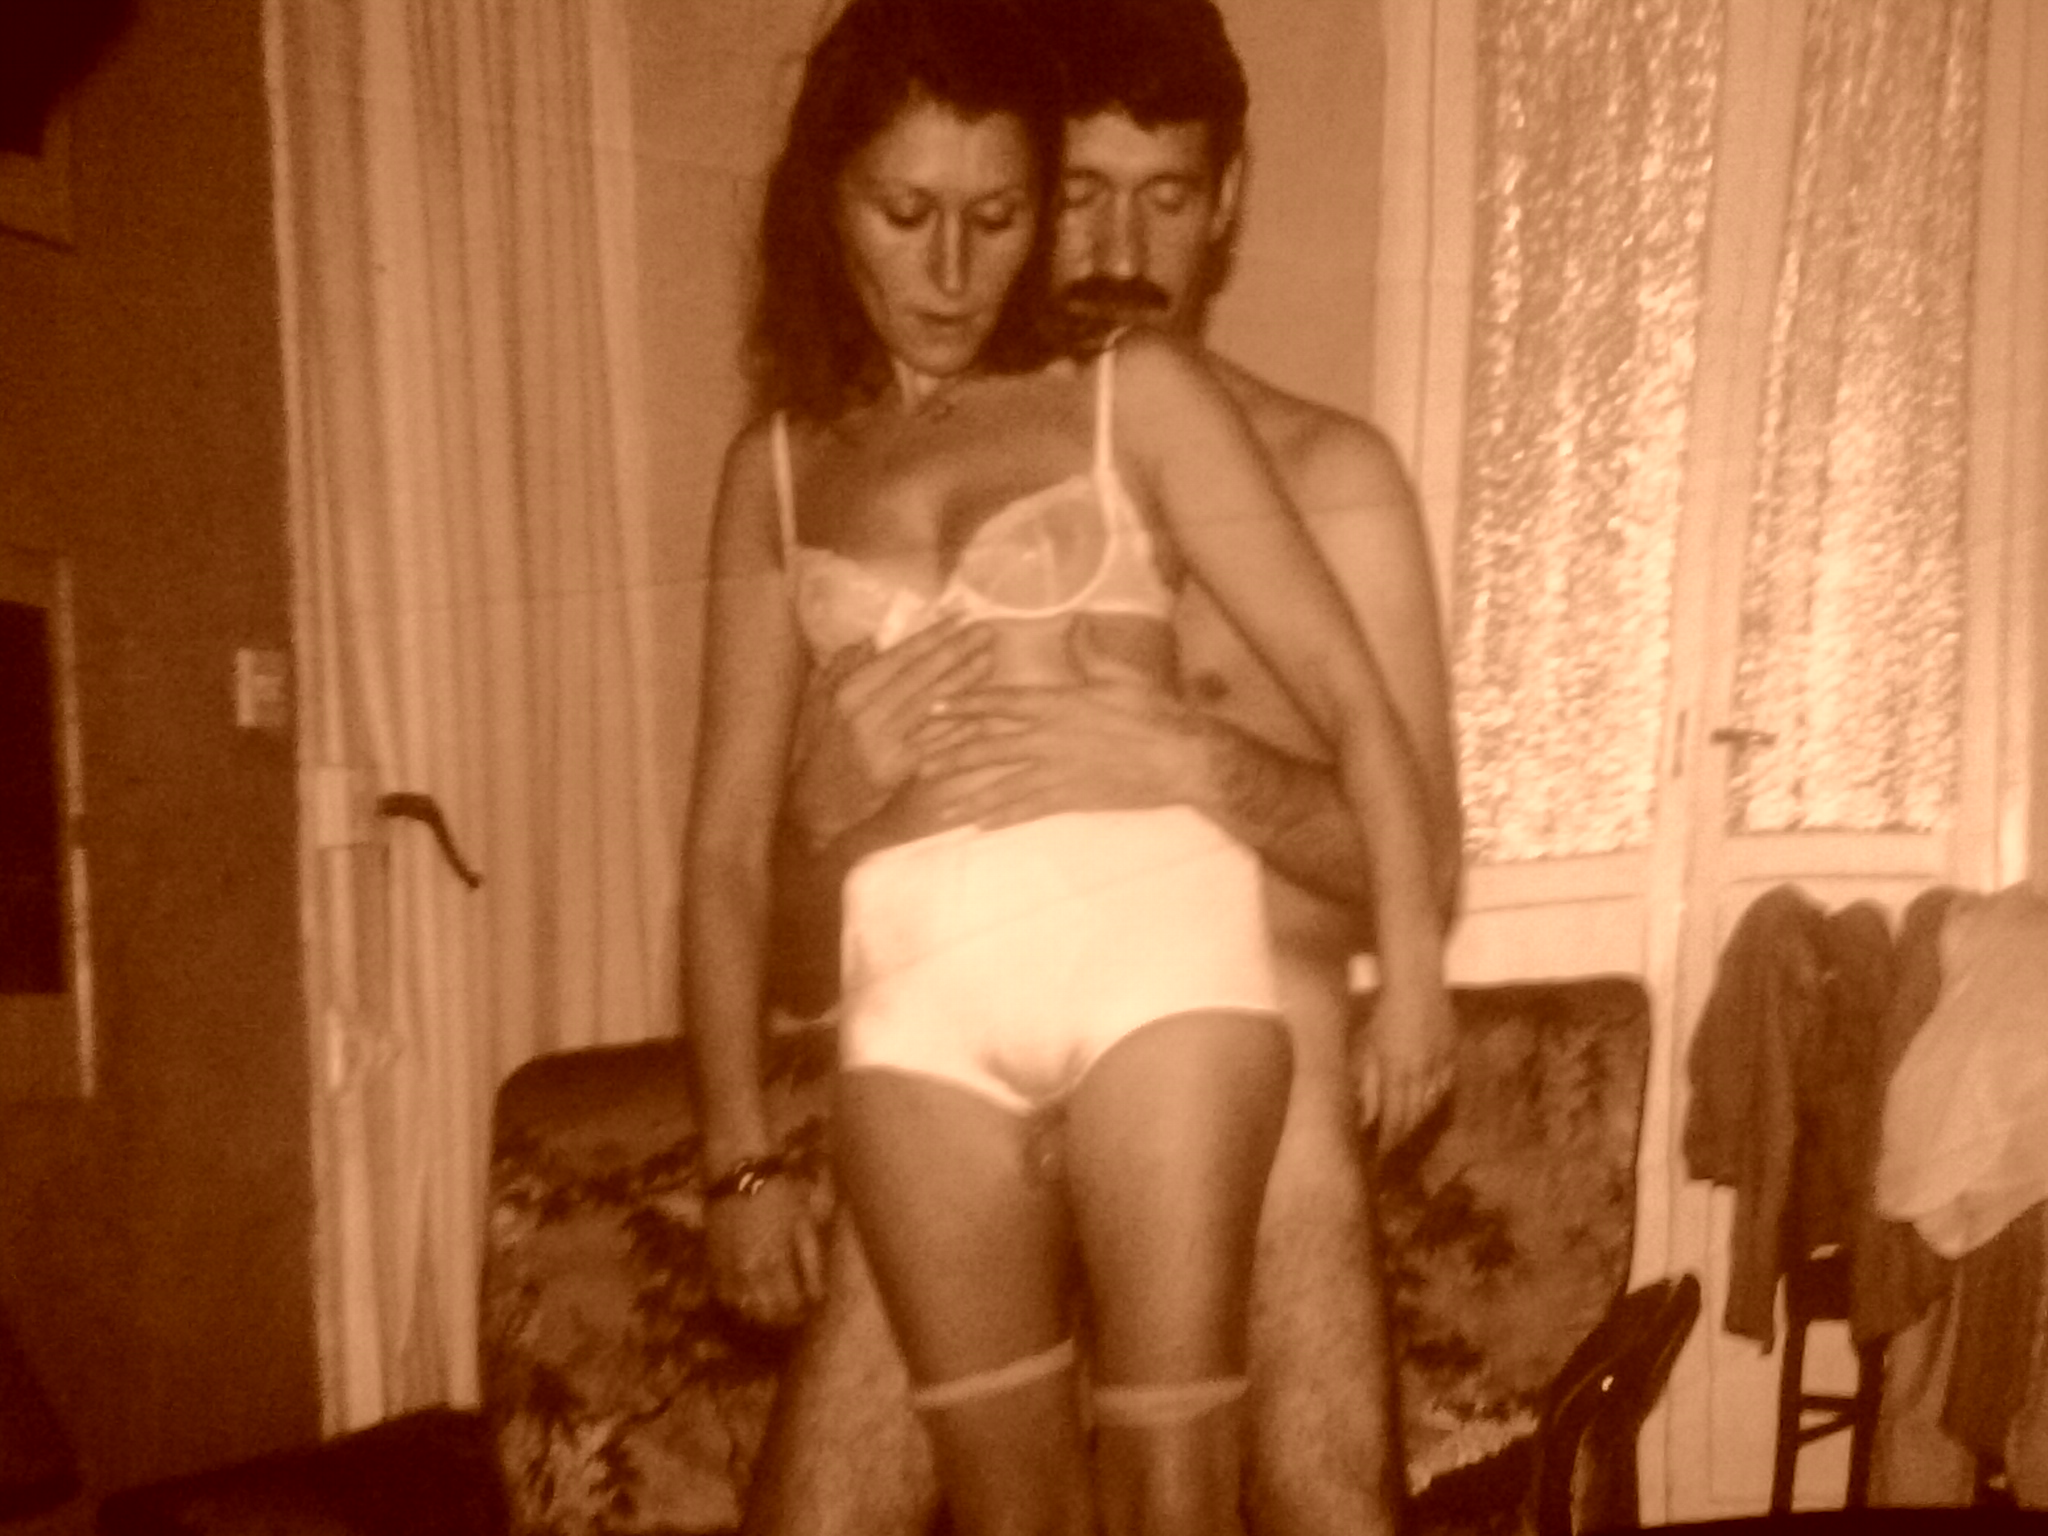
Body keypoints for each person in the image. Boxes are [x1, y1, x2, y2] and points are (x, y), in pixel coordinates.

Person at [681, 0, 1452, 1532]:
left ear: (1225, 203)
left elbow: (1410, 843)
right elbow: (763, 915)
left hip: (1227, 1019)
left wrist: (1195, 757)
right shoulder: (790, 466)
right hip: (932, 1011)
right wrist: (824, 808)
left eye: (1159, 196)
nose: (1109, 244)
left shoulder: (1316, 472)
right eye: (1080, 194)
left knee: (1311, 1495)